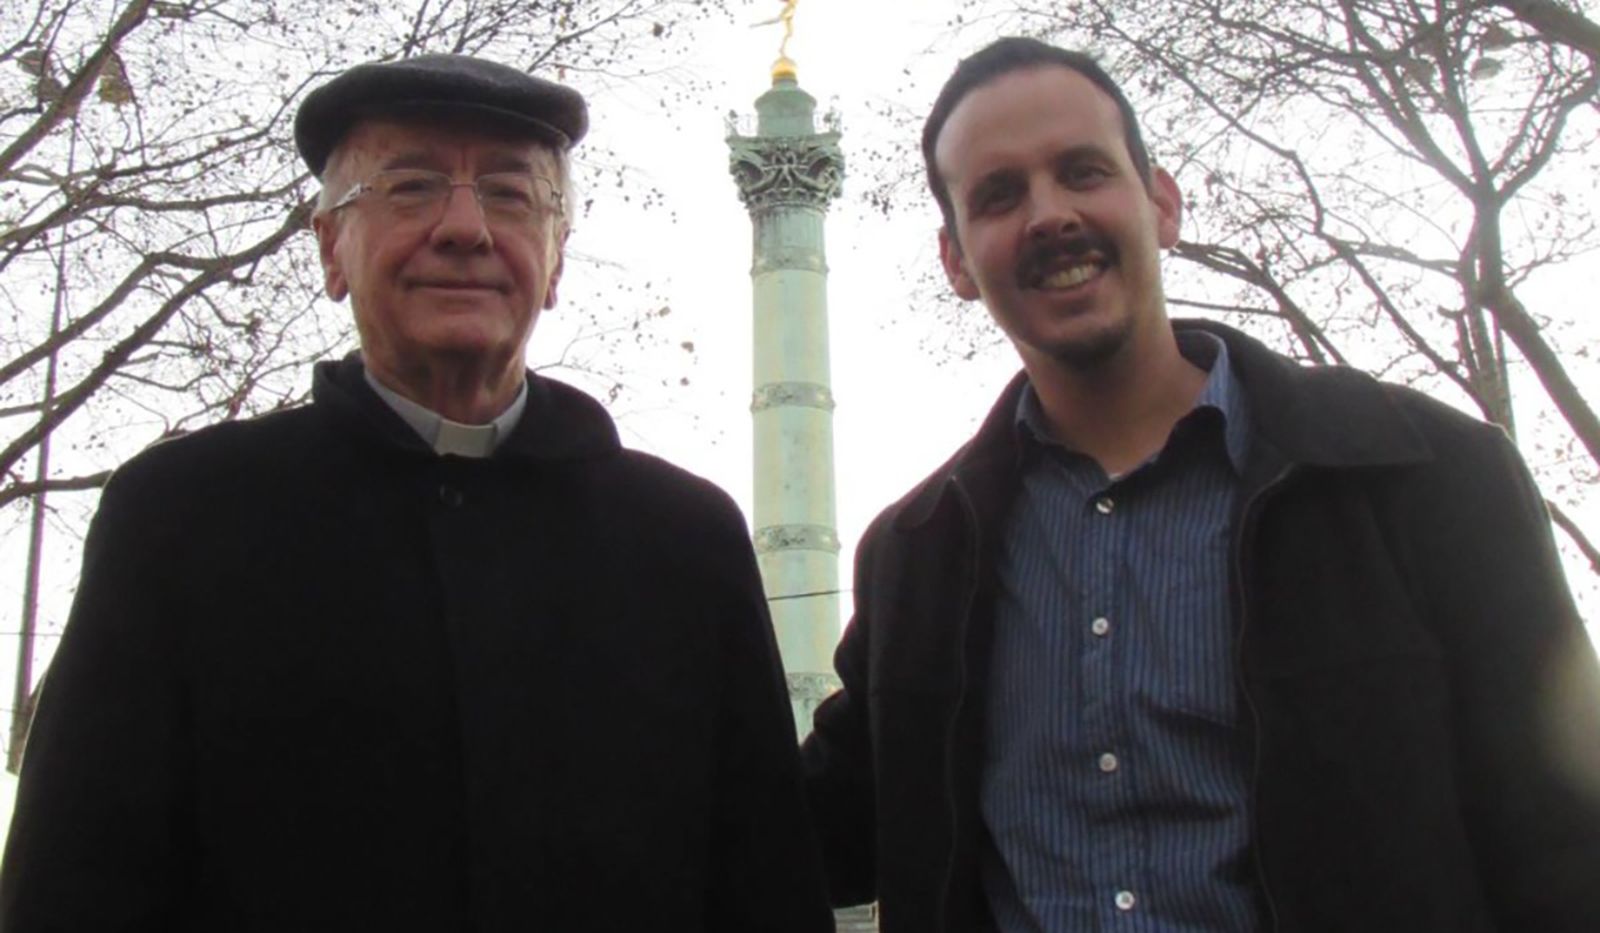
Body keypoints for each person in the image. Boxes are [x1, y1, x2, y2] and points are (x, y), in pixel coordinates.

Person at [0, 54, 834, 933]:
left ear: (555, 260)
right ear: (330, 248)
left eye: (511, 195)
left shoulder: (685, 542)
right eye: (412, 187)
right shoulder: (180, 519)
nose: (465, 227)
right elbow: (73, 888)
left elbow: (764, 885)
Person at [802, 36, 1600, 933]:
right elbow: (805, 829)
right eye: (999, 195)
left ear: (1162, 202)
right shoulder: (920, 555)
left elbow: (1563, 846)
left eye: (1083, 171)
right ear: (955, 260)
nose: (1049, 214)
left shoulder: (1426, 479)